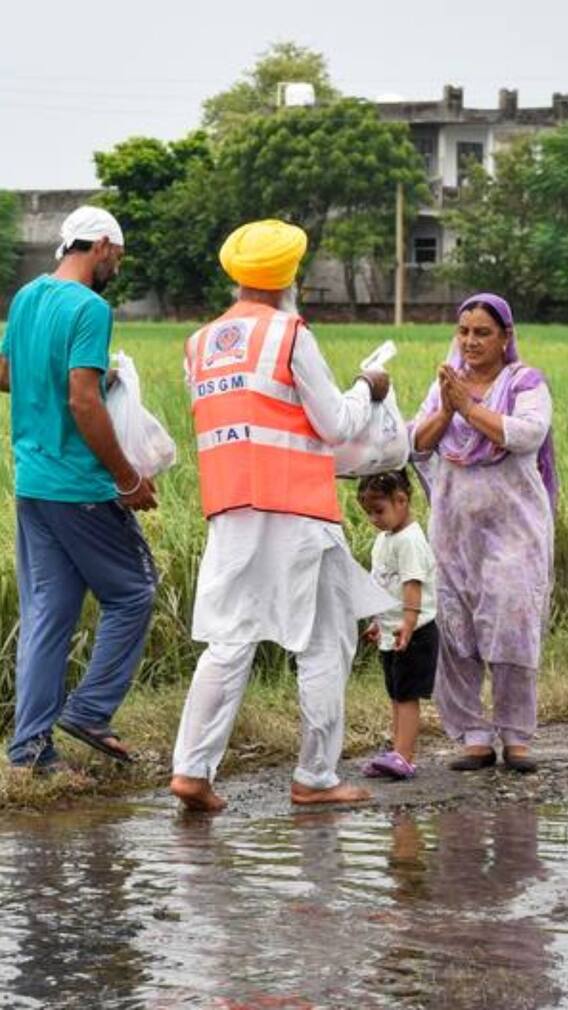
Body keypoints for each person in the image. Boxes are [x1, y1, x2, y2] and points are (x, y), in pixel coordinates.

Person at [171, 218, 394, 811]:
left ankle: (192, 770)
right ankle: (316, 777)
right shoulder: (290, 333)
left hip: (231, 507)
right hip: (296, 511)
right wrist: (368, 387)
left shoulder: (198, 345)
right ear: (290, 277)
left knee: (229, 640)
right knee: (325, 642)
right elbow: (335, 424)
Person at [0, 205, 158, 772]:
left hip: (34, 484)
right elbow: (83, 402)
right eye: (117, 253)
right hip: (79, 486)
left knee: (50, 610)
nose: (117, 262)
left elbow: (5, 374)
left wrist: (86, 373)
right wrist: (128, 478)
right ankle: (90, 711)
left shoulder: (26, 298)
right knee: (135, 590)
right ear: (100, 246)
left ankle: (30, 749)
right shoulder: (90, 307)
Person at [411, 292, 556, 774]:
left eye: (483, 333)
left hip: (514, 530)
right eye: (464, 331)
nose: (471, 341)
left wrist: (469, 408)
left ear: (505, 338)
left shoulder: (524, 382)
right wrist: (449, 409)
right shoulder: (446, 387)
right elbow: (417, 442)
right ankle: (473, 735)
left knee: (511, 623)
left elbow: (525, 435)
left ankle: (515, 736)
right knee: (457, 629)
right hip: (454, 529)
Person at [357, 469, 438, 780]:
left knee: (406, 696)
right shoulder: (384, 540)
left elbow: (411, 585)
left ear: (401, 500)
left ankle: (404, 756)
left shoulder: (410, 540)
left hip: (414, 632)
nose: (374, 519)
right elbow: (382, 585)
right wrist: (378, 621)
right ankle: (396, 751)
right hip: (392, 632)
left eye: (379, 510)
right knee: (395, 692)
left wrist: (407, 622)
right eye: (368, 513)